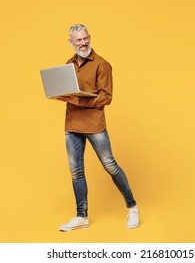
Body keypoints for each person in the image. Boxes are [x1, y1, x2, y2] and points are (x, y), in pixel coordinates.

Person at [56, 24, 139, 231]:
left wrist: (79, 100)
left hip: (94, 124)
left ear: (89, 37)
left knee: (109, 165)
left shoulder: (102, 65)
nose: (83, 43)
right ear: (71, 42)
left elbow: (106, 97)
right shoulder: (68, 64)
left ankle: (132, 207)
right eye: (78, 40)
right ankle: (81, 216)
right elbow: (70, 94)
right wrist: (59, 95)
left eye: (85, 38)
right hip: (72, 124)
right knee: (76, 172)